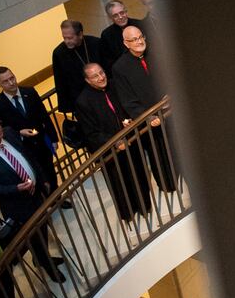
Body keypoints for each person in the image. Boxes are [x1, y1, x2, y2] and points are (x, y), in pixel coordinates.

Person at [0, 110, 66, 283]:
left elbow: (29, 157)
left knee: (42, 226)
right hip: (17, 205)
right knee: (33, 236)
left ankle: (42, 258)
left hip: (36, 193)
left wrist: (42, 178)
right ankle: (46, 265)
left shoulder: (9, 133)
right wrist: (15, 188)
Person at [76, 63, 151, 221]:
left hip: (131, 142)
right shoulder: (83, 101)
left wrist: (130, 121)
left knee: (140, 175)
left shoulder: (114, 86)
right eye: (95, 76)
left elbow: (126, 106)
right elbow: (91, 133)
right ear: (87, 81)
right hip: (111, 151)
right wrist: (114, 141)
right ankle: (129, 215)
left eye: (101, 72)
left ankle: (146, 207)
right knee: (120, 183)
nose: (101, 77)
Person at [0, 67, 70, 208]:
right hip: (22, 148)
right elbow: (0, 130)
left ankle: (56, 199)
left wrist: (54, 138)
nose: (11, 83)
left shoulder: (29, 92)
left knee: (49, 171)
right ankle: (41, 204)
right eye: (6, 81)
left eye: (12, 78)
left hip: (41, 142)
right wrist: (19, 132)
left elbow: (44, 115)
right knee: (32, 176)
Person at [112, 26, 177, 192]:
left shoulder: (157, 53)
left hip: (172, 112)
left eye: (141, 37)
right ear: (126, 44)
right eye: (134, 40)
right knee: (158, 155)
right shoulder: (120, 68)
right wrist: (147, 116)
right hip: (150, 120)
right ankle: (168, 185)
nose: (139, 41)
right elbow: (127, 100)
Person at [52, 20, 106, 114]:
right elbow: (60, 82)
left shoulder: (96, 43)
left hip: (103, 93)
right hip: (81, 102)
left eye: (70, 38)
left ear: (80, 34)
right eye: (64, 38)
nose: (66, 41)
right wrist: (69, 107)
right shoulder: (59, 53)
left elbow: (107, 67)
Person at [100, 0, 146, 66]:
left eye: (122, 13)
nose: (120, 17)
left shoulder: (140, 25)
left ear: (126, 11)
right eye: (115, 15)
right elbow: (110, 61)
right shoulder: (107, 35)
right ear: (110, 18)